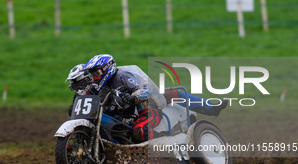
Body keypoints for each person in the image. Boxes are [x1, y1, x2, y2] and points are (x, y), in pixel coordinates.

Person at [81, 54, 228, 143]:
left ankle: (210, 108)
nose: (95, 77)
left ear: (107, 68)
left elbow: (145, 89)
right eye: (93, 74)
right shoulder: (97, 86)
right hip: (119, 116)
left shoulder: (123, 76)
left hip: (144, 109)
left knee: (140, 131)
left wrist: (132, 97)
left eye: (97, 73)